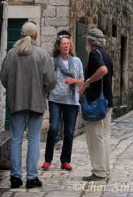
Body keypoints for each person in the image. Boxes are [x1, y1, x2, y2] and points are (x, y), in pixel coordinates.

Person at [0, 21, 56, 189]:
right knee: (33, 139)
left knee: (16, 139)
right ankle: (32, 177)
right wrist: (41, 91)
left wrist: (14, 90)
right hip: (36, 102)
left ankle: (15, 177)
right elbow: (51, 80)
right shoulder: (41, 54)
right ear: (36, 35)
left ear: (21, 35)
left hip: (16, 101)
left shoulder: (11, 54)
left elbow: (4, 78)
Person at [41, 35, 84, 171]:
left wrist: (73, 81)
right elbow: (46, 78)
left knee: (69, 132)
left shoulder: (77, 61)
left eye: (68, 44)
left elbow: (83, 80)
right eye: (63, 44)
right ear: (58, 47)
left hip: (71, 101)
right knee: (53, 128)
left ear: (70, 47)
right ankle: (48, 160)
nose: (66, 46)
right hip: (55, 100)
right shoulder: (53, 61)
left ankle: (65, 160)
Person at [79, 28, 114, 182]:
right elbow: (111, 80)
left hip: (96, 102)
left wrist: (87, 82)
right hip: (106, 102)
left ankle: (99, 171)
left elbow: (103, 70)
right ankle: (105, 168)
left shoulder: (94, 54)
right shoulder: (107, 55)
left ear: (90, 41)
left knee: (95, 137)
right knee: (104, 137)